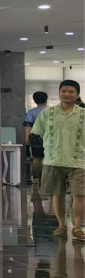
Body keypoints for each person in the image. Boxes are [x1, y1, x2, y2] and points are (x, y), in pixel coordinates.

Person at [32, 80, 85, 239]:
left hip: (79, 160)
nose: (67, 94)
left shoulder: (83, 114)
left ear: (77, 94)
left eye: (71, 91)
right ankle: (61, 226)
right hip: (54, 159)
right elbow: (38, 132)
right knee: (57, 194)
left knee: (80, 194)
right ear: (59, 92)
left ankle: (77, 227)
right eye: (64, 91)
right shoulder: (48, 113)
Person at [26, 90, 50, 191]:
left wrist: (27, 137)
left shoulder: (31, 112)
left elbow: (28, 125)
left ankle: (35, 177)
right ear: (46, 99)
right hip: (50, 137)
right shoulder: (51, 111)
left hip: (36, 137)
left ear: (35, 100)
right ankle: (47, 178)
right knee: (49, 158)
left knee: (37, 158)